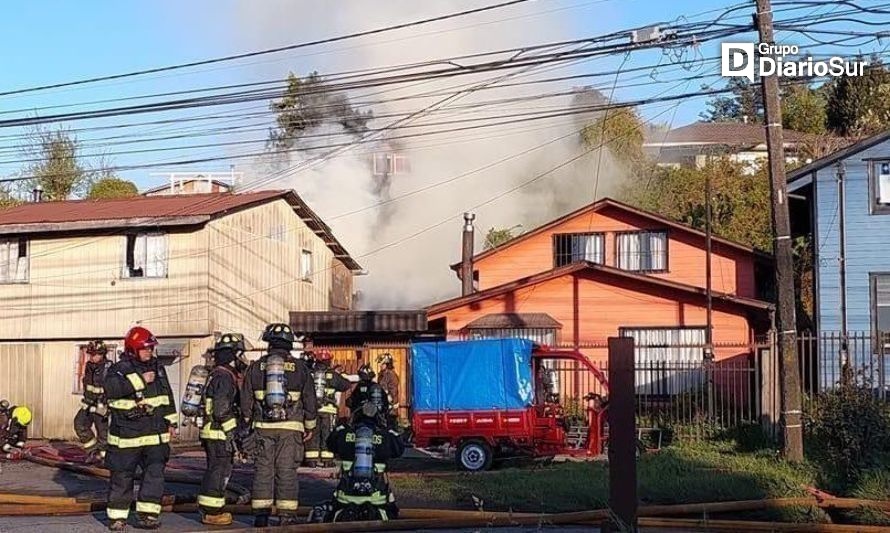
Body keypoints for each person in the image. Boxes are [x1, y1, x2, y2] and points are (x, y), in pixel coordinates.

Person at [241, 323, 318, 527]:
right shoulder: (300, 368)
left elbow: (246, 400)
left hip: (262, 427)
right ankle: (286, 516)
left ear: (268, 343)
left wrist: (247, 423)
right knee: (286, 471)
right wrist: (310, 426)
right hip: (291, 429)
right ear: (289, 344)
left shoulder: (256, 367)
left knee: (263, 470)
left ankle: (261, 515)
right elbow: (310, 399)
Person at [104, 326, 177, 531]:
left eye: (151, 348)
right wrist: (140, 380)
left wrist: (171, 422)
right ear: (133, 349)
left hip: (155, 436)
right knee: (122, 477)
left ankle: (148, 516)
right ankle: (117, 518)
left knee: (154, 476)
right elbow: (111, 389)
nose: (150, 352)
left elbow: (166, 397)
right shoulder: (119, 369)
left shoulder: (158, 368)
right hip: (127, 436)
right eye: (146, 349)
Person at [310, 402, 404, 522]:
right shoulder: (386, 436)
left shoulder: (343, 433)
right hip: (377, 502)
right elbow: (399, 449)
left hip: (345, 501)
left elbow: (330, 444)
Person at [198, 333, 247, 526]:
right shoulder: (225, 377)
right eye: (239, 355)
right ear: (232, 356)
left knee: (214, 470)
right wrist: (232, 431)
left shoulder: (216, 374)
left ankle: (209, 508)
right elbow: (221, 409)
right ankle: (212, 512)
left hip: (212, 431)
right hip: (219, 432)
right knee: (218, 471)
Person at [305, 349, 351, 468]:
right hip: (328, 410)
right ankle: (327, 460)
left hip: (313, 410)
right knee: (327, 434)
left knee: (313, 434)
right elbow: (346, 385)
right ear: (329, 360)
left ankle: (311, 460)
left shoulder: (310, 373)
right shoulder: (333, 375)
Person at [74, 340, 112, 464]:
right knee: (79, 423)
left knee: (103, 432)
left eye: (94, 354)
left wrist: (106, 404)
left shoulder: (109, 367)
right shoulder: (90, 366)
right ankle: (93, 451)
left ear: (102, 354)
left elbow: (113, 388)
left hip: (102, 405)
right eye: (90, 354)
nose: (91, 357)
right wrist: (87, 401)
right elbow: (88, 386)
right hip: (89, 402)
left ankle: (103, 457)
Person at [376, 353, 401, 428]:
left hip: (390, 408)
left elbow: (393, 390)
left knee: (390, 428)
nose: (380, 365)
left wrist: (389, 400)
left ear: (387, 364)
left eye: (382, 364)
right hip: (384, 406)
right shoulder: (382, 374)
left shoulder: (390, 375)